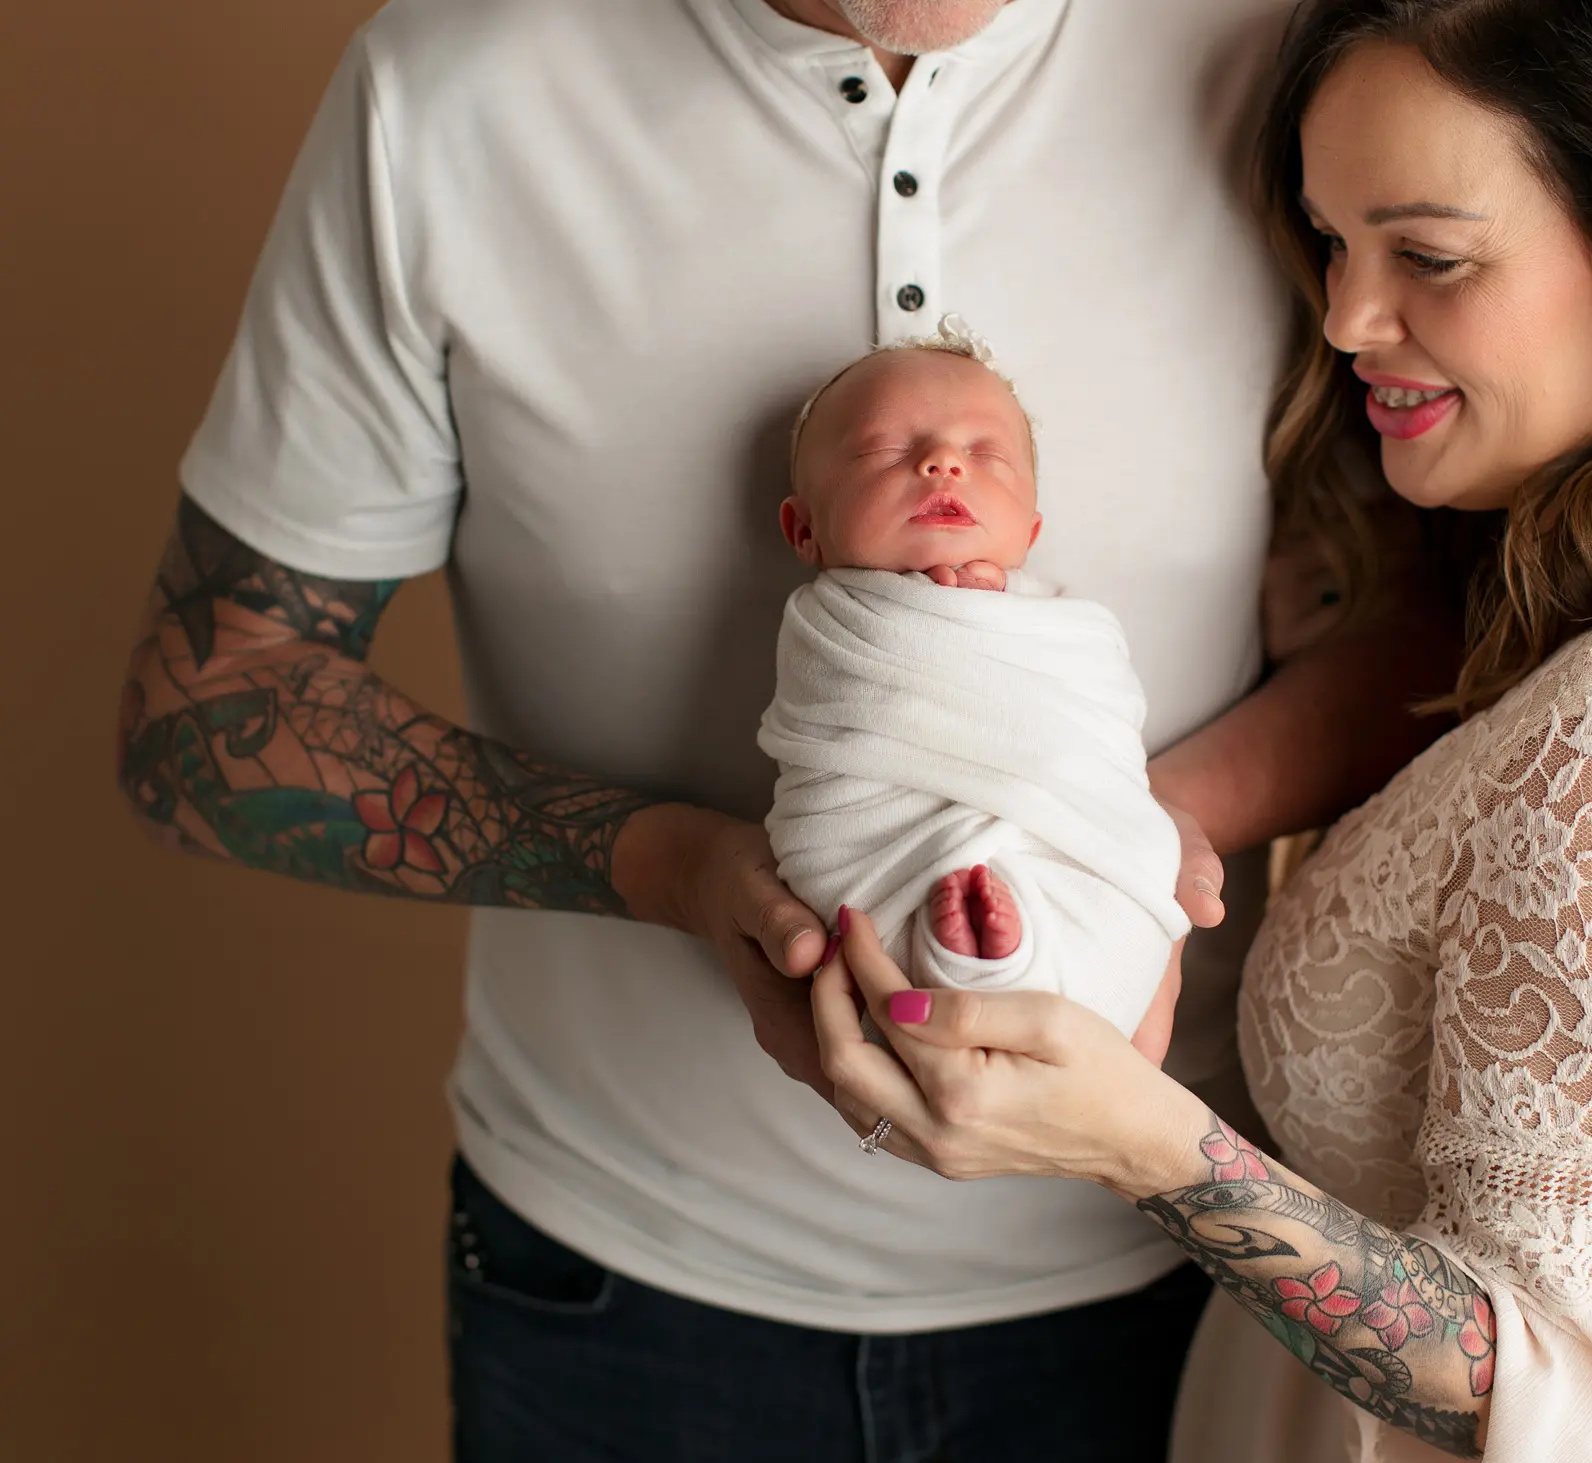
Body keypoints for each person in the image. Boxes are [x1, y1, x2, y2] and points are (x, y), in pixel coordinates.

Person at [115, 0, 1455, 1457]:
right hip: (620, 1287)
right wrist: (678, 869)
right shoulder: (451, 90)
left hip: (1172, 1276)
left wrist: (1132, 839)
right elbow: (210, 708)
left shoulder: (1286, 63)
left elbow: (1454, 610)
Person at [813, 1, 1592, 1460]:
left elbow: (1549, 1390)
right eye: (1332, 241)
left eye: (1431, 255)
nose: (1347, 315)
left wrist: (1134, 1137)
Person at [762, 322, 1190, 1045]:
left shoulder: (1066, 630)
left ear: (1030, 530)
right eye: (884, 451)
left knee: (1123, 900)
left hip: (1067, 842)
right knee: (874, 924)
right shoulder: (826, 626)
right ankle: (970, 956)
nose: (942, 463)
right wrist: (936, 619)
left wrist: (977, 621)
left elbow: (1099, 736)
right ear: (803, 531)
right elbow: (838, 727)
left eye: (986, 454)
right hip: (881, 844)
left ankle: (1003, 956)